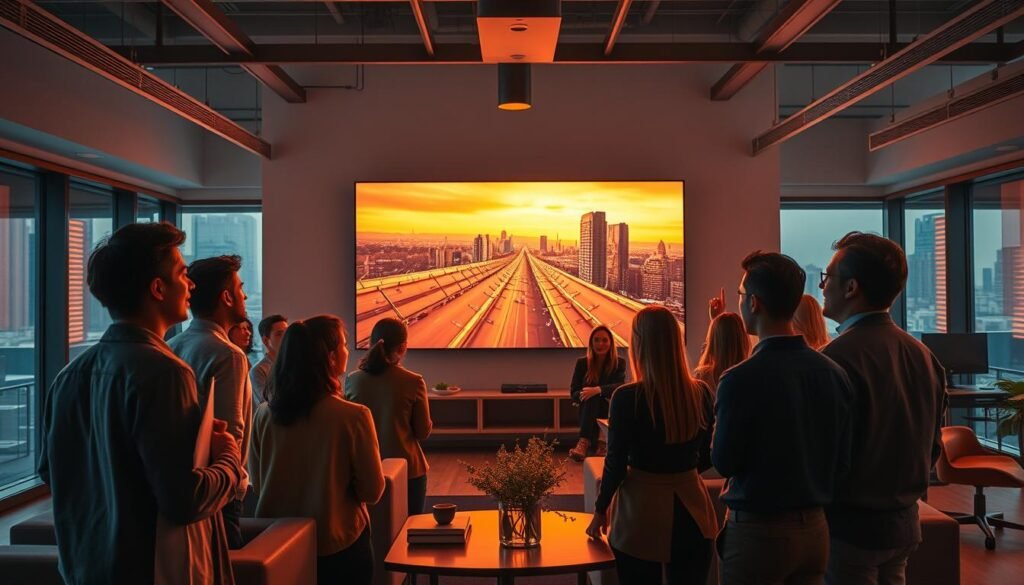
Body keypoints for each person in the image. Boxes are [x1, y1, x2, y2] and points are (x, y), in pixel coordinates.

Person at [38, 222, 242, 584]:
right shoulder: (166, 373)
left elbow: (52, 472)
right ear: (158, 288)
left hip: (84, 568)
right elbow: (185, 500)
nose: (191, 284)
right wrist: (227, 455)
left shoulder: (68, 376)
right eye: (182, 273)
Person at [713, 251, 853, 585]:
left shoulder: (739, 379)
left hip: (758, 534)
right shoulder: (833, 373)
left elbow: (724, 461)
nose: (740, 302)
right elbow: (843, 461)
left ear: (755, 303)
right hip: (815, 531)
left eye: (741, 294)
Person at [819, 232, 947, 585]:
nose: (822, 287)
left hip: (850, 531)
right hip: (904, 525)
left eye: (827, 277)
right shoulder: (924, 356)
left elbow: (826, 454)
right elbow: (933, 444)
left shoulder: (836, 359)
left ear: (851, 288)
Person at [585, 306, 718, 584]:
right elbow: (707, 455)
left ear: (638, 345)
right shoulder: (700, 392)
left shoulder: (626, 397)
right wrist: (682, 471)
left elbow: (616, 463)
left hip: (640, 515)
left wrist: (600, 512)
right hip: (694, 510)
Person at [252, 315, 385, 585]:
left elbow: (257, 483)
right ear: (331, 358)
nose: (348, 350)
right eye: (345, 344)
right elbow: (372, 491)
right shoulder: (353, 416)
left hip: (277, 545)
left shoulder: (263, 415)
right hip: (338, 547)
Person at [169, 255, 253, 549]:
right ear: (227, 297)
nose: (245, 295)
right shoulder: (228, 354)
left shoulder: (171, 346)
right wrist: (235, 483)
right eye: (241, 289)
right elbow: (231, 434)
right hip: (219, 494)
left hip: (185, 488)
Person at [345, 317, 433, 515]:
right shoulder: (414, 381)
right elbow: (422, 431)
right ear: (402, 348)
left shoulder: (352, 380)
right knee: (411, 528)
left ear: (370, 344)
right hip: (409, 470)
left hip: (365, 469)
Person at [568, 325, 627, 461]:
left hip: (609, 405)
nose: (601, 344)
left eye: (605, 340)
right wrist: (584, 394)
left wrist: (598, 390)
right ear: (591, 343)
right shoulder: (582, 363)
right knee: (592, 398)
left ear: (611, 343)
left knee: (596, 396)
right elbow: (574, 391)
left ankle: (584, 442)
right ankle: (600, 442)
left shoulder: (619, 363)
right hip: (589, 404)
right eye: (597, 340)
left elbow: (619, 386)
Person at [694, 312, 750, 391]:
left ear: (712, 342)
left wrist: (715, 324)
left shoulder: (703, 377)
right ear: (743, 340)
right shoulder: (751, 376)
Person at [250, 314, 288, 405]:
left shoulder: (295, 363)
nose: (285, 338)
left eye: (287, 333)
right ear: (266, 341)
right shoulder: (259, 370)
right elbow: (267, 402)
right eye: (279, 334)